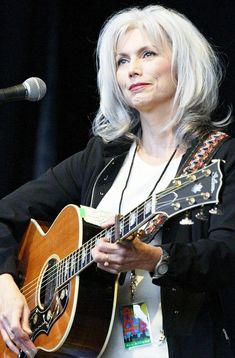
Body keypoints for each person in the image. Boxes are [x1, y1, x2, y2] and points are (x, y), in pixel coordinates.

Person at [0, 4, 235, 358]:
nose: (132, 70)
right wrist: (5, 285)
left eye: (147, 54)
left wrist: (153, 257)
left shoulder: (219, 158)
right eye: (122, 60)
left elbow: (227, 255)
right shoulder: (102, 157)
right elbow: (5, 212)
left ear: (183, 64)